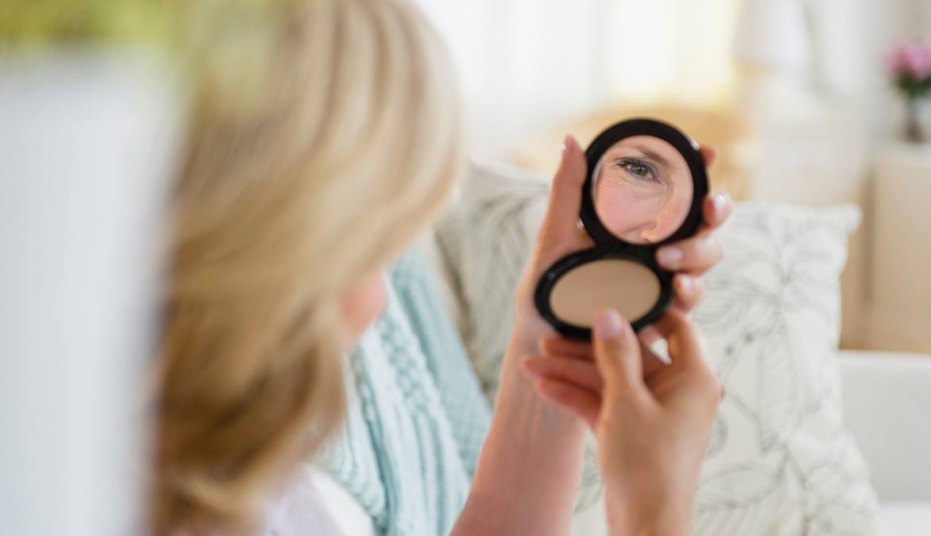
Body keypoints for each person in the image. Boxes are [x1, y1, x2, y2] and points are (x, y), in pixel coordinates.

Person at [151, 0, 731, 534]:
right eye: (375, 246)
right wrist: (656, 512)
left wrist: (550, 348)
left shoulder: (235, 478)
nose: (382, 299)